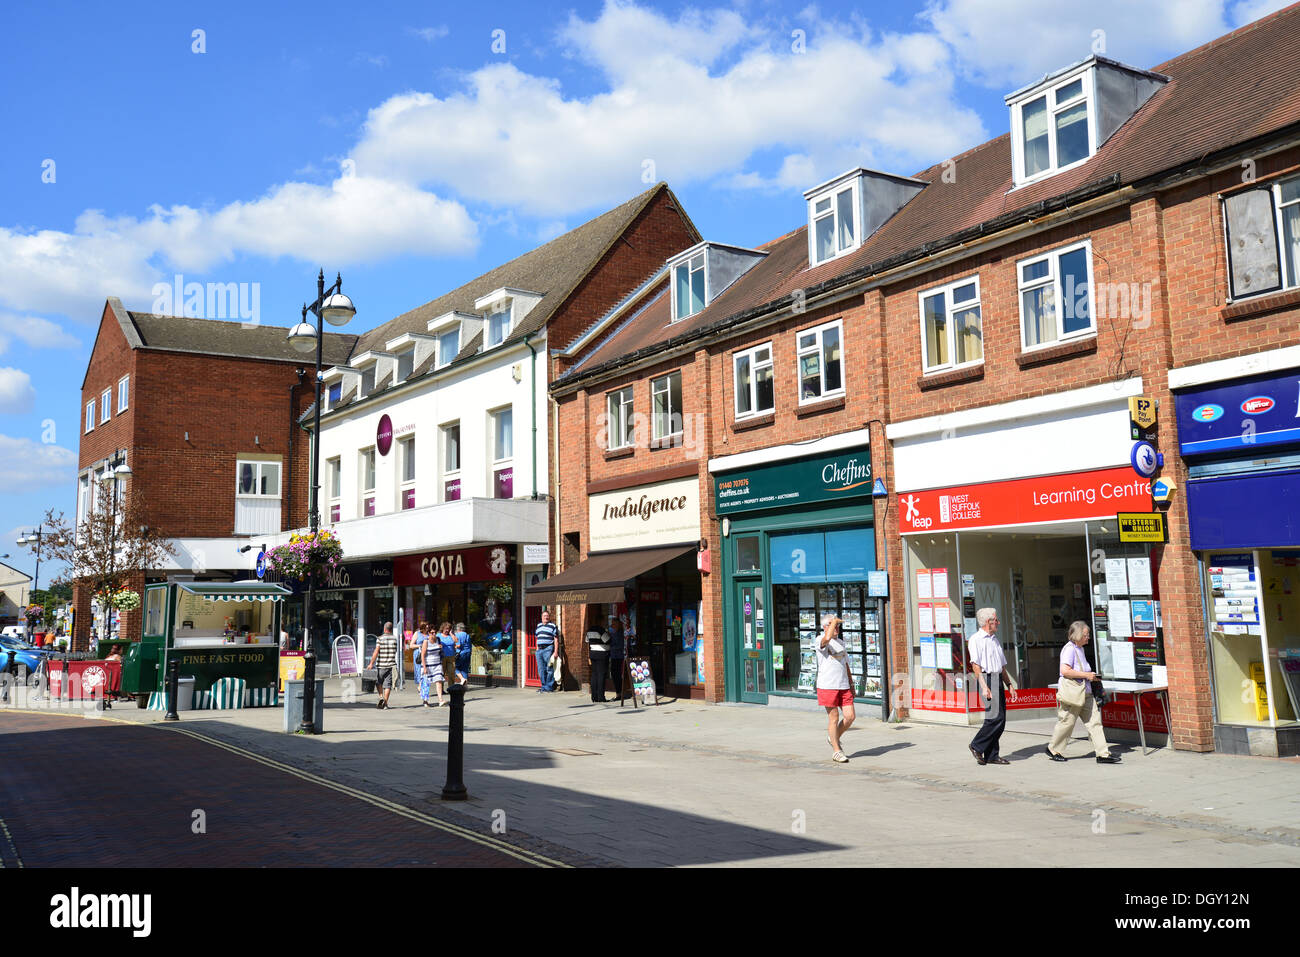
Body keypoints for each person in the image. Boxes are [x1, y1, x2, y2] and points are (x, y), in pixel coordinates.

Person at [1047, 621, 1120, 764]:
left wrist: (1090, 675)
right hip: (1073, 694)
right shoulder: (1069, 649)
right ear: (1078, 635)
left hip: (1085, 692)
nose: (1088, 638)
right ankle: (1053, 749)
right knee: (1067, 723)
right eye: (1086, 635)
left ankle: (1103, 754)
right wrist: (1086, 675)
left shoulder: (1079, 649)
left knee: (1095, 723)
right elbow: (1065, 671)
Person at [967, 607, 1019, 765]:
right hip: (986, 680)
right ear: (988, 622)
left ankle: (992, 754)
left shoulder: (995, 639)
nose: (998, 622)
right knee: (994, 718)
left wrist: (1009, 684)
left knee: (1000, 720)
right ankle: (976, 745)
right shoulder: (976, 639)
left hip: (997, 679)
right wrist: (984, 686)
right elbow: (976, 666)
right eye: (996, 620)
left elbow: (1002, 666)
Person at [815, 614, 855, 763]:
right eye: (833, 625)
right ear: (825, 626)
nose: (836, 628)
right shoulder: (820, 640)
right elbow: (827, 639)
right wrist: (834, 622)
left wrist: (851, 684)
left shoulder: (841, 643)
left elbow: (845, 664)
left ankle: (833, 737)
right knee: (834, 717)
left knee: (850, 716)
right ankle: (836, 751)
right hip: (827, 685)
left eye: (838, 625)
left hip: (843, 685)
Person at [367, 622, 400, 710]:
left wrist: (371, 663)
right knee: (388, 685)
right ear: (391, 629)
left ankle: (381, 697)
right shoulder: (395, 639)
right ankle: (385, 703)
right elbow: (395, 651)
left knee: (378, 682)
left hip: (381, 665)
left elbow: (376, 651)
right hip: (391, 665)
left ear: (385, 629)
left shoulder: (380, 639)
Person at [420, 625, 448, 707]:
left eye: (435, 632)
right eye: (432, 633)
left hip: (437, 664)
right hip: (428, 664)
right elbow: (422, 655)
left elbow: (440, 651)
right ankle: (425, 700)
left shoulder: (438, 640)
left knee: (439, 681)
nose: (434, 634)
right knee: (426, 682)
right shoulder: (426, 641)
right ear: (428, 633)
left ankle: (440, 700)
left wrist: (441, 648)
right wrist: (424, 667)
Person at [535, 609, 560, 693]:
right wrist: (537, 649)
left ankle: (549, 687)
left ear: (549, 617)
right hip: (539, 650)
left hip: (548, 649)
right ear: (541, 617)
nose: (546, 617)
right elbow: (537, 638)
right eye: (544, 616)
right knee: (541, 670)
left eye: (547, 616)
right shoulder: (538, 626)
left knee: (549, 668)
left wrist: (555, 651)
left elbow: (556, 639)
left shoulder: (552, 626)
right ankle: (543, 686)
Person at [586, 619, 610, 703]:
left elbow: (587, 642)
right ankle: (601, 697)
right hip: (601, 654)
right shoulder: (601, 630)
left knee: (594, 675)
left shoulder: (589, 631)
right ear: (600, 622)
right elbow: (607, 640)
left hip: (593, 653)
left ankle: (594, 696)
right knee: (601, 676)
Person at [606, 616, 627, 701]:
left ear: (618, 624)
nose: (612, 625)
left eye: (614, 624)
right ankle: (619, 692)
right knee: (615, 674)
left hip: (618, 656)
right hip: (614, 656)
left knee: (616, 675)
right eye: (612, 624)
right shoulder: (614, 633)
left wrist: (611, 646)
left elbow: (620, 645)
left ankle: (620, 693)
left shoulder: (620, 633)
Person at [453, 622, 471, 686]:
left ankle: (462, 679)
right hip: (468, 653)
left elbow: (458, 645)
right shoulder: (467, 635)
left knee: (455, 667)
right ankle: (465, 685)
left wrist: (453, 647)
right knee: (465, 669)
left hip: (461, 653)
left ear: (458, 629)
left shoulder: (458, 635)